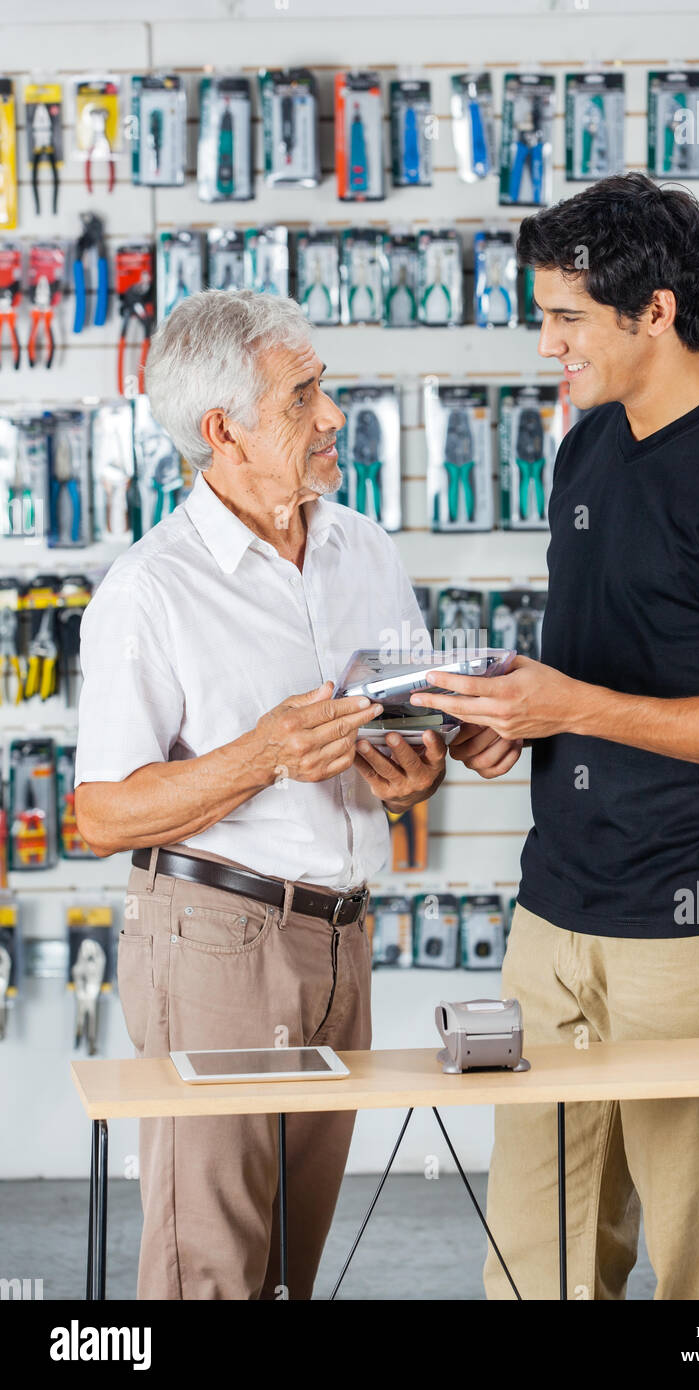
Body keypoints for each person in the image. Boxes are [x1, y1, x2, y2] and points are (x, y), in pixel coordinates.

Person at [414, 173, 699, 1300]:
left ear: (653, 309)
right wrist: (510, 723)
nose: (543, 341)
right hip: (555, 910)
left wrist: (574, 709)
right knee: (533, 1264)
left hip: (697, 911)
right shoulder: (588, 447)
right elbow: (593, 674)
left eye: (564, 316)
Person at [74, 289, 446, 1300]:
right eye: (303, 395)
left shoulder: (363, 549)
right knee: (209, 1275)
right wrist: (261, 753)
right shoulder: (148, 593)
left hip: (342, 943)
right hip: (214, 949)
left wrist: (416, 779)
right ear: (220, 430)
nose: (333, 416)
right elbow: (100, 813)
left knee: (287, 1273)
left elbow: (405, 740)